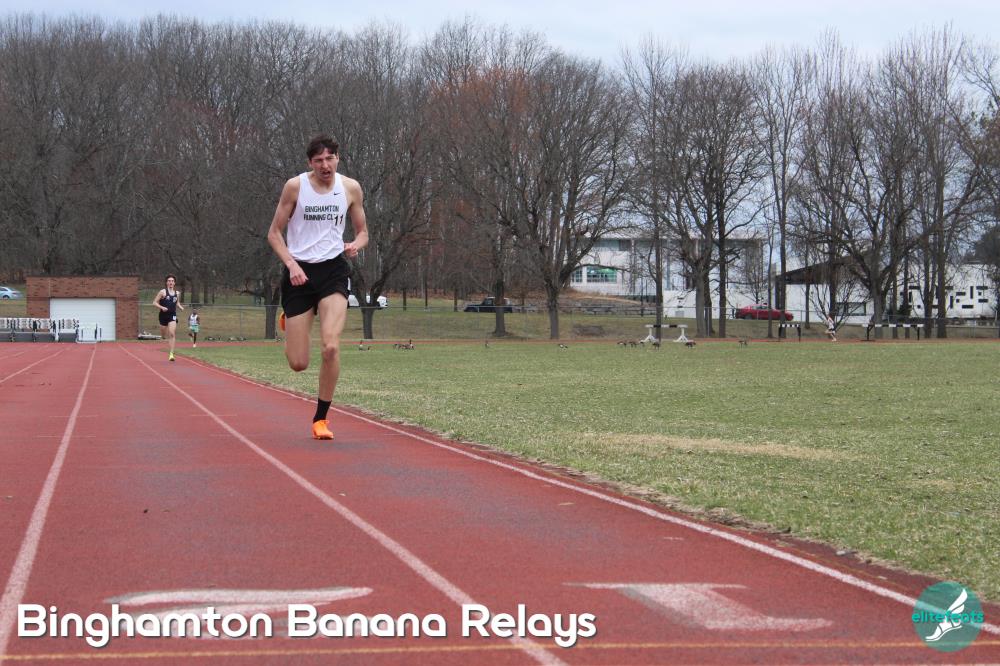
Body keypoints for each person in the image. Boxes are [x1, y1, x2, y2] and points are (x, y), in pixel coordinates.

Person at [267, 134, 369, 440]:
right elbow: (274, 233)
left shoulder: (350, 188)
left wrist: (355, 244)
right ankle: (290, 318)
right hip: (299, 272)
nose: (325, 165)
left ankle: (321, 419)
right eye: (319, 160)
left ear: (338, 158)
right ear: (310, 163)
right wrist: (292, 265)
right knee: (299, 363)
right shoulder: (295, 187)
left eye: (330, 158)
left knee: (331, 346)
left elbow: (363, 232)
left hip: (333, 271)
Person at [153, 275, 184, 361]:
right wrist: (162, 307)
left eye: (172, 281)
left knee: (172, 333)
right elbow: (154, 302)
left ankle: (171, 354)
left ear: (174, 283)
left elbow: (177, 302)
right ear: (167, 283)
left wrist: (180, 307)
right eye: (169, 281)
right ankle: (163, 336)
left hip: (172, 315)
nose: (171, 282)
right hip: (163, 315)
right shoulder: (162, 292)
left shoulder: (177, 293)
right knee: (163, 332)